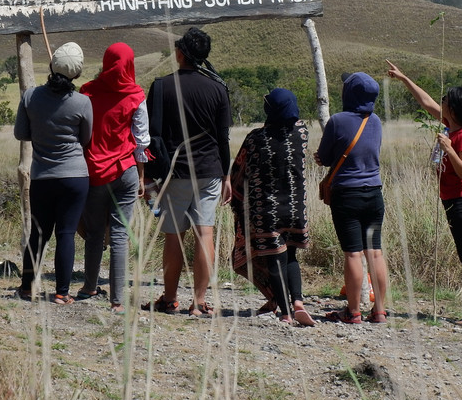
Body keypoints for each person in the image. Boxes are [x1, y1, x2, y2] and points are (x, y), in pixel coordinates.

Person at [386, 60, 462, 325]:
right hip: (455, 200)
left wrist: (448, 149)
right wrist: (404, 78)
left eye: (445, 100)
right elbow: (425, 102)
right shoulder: (451, 125)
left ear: (454, 107)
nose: (441, 102)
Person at [143, 27, 232, 317]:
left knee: (173, 236)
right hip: (210, 171)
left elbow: (151, 135)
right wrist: (227, 175)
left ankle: (169, 300)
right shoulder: (218, 88)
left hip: (175, 172)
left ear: (180, 54)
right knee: (205, 234)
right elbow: (223, 138)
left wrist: (148, 176)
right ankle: (200, 302)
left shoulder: (161, 86)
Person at [14, 42, 93, 305]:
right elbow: (86, 139)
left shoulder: (30, 97)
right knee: (66, 234)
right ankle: (62, 293)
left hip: (42, 177)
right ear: (77, 74)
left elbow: (21, 134)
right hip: (74, 177)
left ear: (51, 67)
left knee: (38, 233)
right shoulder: (83, 102)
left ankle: (27, 288)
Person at [229, 88, 315, 326]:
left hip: (266, 212)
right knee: (291, 255)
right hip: (296, 209)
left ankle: (286, 312)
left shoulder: (255, 138)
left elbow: (238, 174)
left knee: (274, 260)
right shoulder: (301, 133)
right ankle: (298, 302)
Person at [75, 42, 149, 314]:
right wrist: (141, 177)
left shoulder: (87, 92)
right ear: (130, 64)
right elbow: (141, 142)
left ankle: (89, 287)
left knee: (94, 233)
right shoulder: (136, 95)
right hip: (125, 170)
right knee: (119, 234)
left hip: (94, 172)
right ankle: (117, 300)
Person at [315, 71, 390, 324]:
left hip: (347, 194)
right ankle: (379, 310)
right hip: (374, 193)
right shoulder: (376, 121)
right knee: (375, 253)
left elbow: (325, 158)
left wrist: (321, 158)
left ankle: (353, 311)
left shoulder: (337, 121)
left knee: (352, 254)